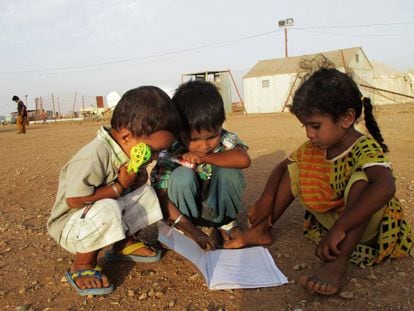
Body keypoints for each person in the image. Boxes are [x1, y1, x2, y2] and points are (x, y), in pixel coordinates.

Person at [224, 68, 413, 295]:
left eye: (315, 126)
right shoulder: (315, 147)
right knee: (295, 168)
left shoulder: (364, 147)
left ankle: (338, 263)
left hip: (364, 225)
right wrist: (266, 198)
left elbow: (385, 186)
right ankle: (262, 229)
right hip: (334, 220)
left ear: (347, 118)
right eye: (305, 126)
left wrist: (340, 227)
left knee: (362, 182)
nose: (309, 134)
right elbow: (283, 167)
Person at [47, 86, 182, 296]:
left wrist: (136, 180)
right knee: (109, 206)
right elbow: (74, 200)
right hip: (72, 225)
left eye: (160, 151)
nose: (155, 157)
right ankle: (83, 264)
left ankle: (122, 243)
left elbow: (133, 187)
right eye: (153, 150)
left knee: (147, 194)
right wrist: (119, 187)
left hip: (98, 214)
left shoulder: (128, 149)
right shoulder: (94, 155)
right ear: (127, 136)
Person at [152, 80, 251, 249]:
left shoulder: (225, 139)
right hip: (186, 217)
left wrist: (205, 158)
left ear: (220, 126)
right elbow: (161, 195)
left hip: (217, 209)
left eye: (212, 137)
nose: (204, 146)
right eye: (194, 139)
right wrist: (191, 229)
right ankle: (189, 229)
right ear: (179, 132)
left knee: (231, 171)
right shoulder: (172, 150)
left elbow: (244, 159)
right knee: (181, 175)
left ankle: (225, 224)